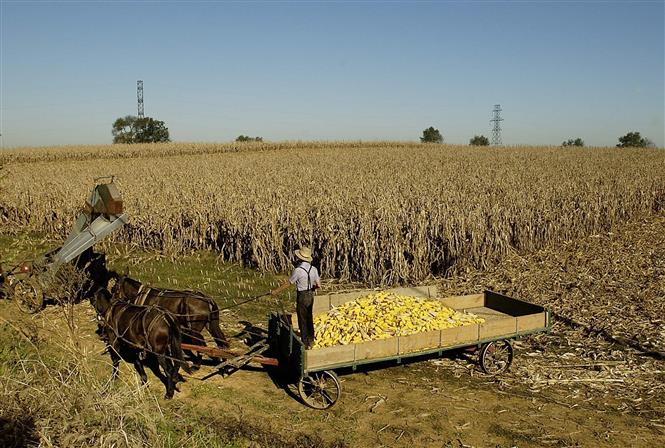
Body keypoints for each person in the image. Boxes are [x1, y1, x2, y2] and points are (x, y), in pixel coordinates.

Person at [271, 246, 321, 349]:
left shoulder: (298, 270)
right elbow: (318, 285)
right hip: (310, 295)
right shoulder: (314, 269)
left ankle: (305, 342)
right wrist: (312, 287)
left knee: (302, 318)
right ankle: (311, 340)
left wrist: (276, 291)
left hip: (302, 295)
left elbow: (289, 283)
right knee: (309, 317)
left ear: (300, 258)